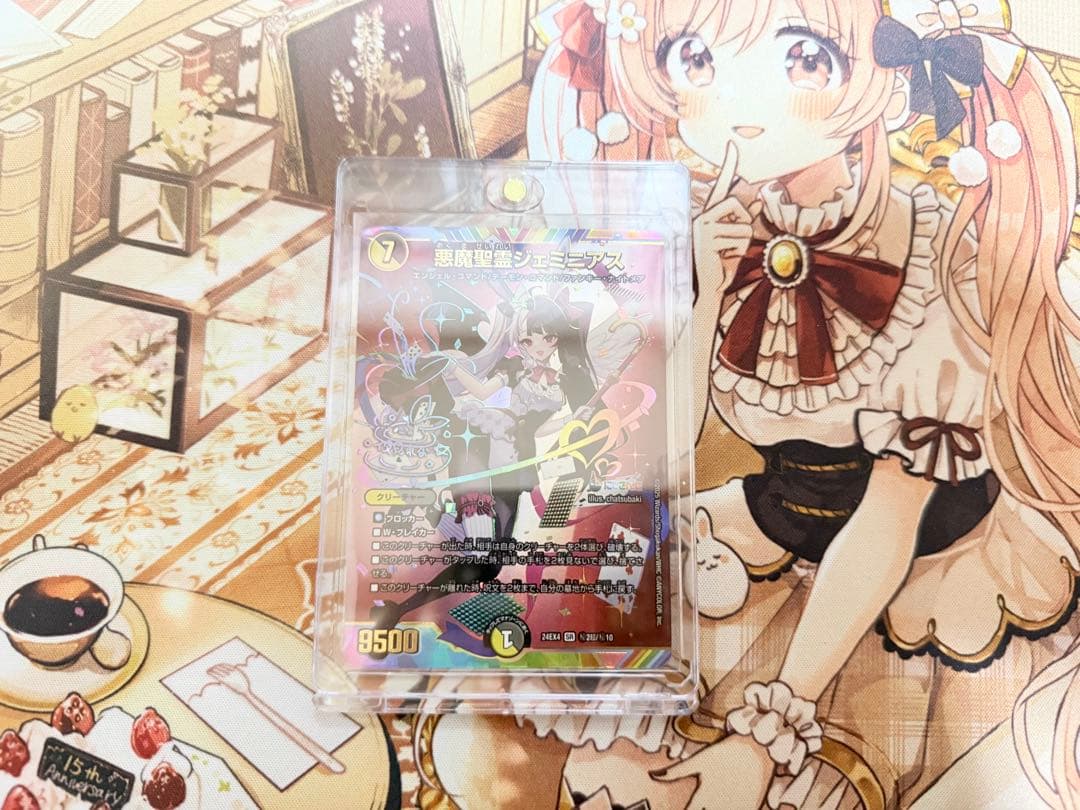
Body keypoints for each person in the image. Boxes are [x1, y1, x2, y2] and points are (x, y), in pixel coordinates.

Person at [518, 0, 1080, 807]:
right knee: (582, 741)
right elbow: (662, 455)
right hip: (772, 521)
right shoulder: (714, 228)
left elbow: (888, 523)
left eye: (805, 59)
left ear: (886, 81)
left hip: (913, 566)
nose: (738, 104)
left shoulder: (934, 264)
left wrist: (770, 727)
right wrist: (706, 294)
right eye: (695, 59)